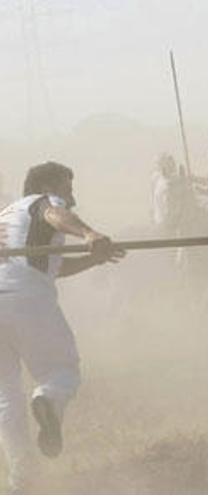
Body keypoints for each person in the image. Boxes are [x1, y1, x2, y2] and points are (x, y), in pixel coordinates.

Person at [0, 162, 123, 494]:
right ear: (49, 187)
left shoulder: (8, 215)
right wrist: (89, 234)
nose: (73, 198)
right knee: (62, 371)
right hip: (26, 297)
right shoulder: (42, 202)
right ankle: (49, 400)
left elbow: (49, 265)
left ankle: (20, 479)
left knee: (6, 395)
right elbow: (54, 214)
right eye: (68, 189)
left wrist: (92, 260)